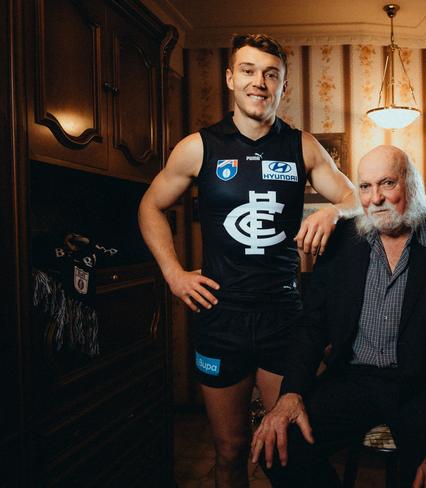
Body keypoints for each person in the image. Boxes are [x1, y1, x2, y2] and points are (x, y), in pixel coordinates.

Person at [138, 34, 356, 487]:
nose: (260, 81)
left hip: (284, 317)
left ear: (283, 85)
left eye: (271, 74)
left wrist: (335, 209)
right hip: (221, 317)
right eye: (250, 71)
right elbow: (149, 206)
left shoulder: (303, 147)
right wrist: (174, 274)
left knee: (288, 447)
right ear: (231, 78)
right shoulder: (199, 146)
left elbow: (358, 198)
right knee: (231, 450)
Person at [251, 145, 426, 488]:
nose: (375, 198)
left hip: (425, 384)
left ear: (412, 184)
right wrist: (290, 394)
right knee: (277, 448)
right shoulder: (341, 242)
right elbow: (312, 325)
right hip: (354, 380)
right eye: (364, 187)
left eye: (387, 183)